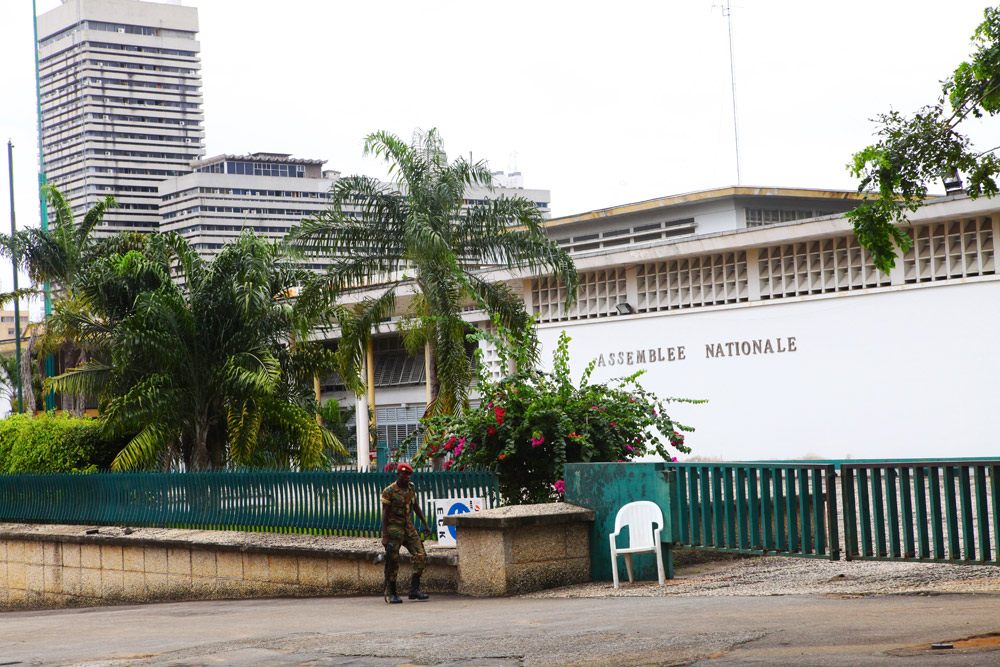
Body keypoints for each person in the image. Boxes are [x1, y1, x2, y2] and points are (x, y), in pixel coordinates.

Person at [380, 462, 432, 603]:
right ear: (398, 474)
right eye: (405, 474)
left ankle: (414, 590)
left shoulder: (411, 488)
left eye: (409, 474)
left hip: (408, 529)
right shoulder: (389, 491)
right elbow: (384, 514)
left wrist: (425, 524)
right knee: (393, 562)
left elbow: (415, 505)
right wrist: (385, 535)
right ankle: (393, 593)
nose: (407, 477)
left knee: (420, 555)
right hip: (394, 531)